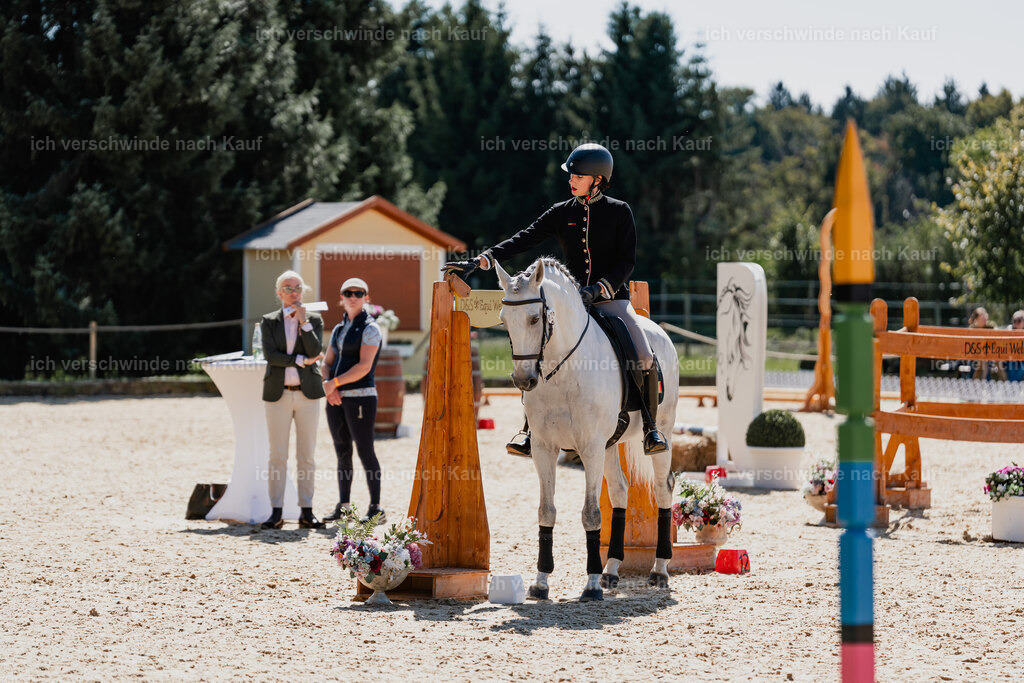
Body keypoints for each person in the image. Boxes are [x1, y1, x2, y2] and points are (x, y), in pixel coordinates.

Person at [443, 143, 668, 456]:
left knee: (643, 354)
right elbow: (523, 238)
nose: (571, 180)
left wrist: (600, 288)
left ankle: (650, 427)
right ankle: (527, 429)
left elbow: (626, 262)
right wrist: (478, 261)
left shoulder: (619, 211)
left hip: (610, 299)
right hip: (570, 305)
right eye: (571, 175)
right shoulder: (562, 213)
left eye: (578, 175)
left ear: (598, 179)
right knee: (536, 349)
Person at [259, 270, 326, 530]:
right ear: (279, 293)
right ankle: (275, 512)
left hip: (308, 394)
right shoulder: (269, 321)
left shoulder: (314, 319)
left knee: (306, 455)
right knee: (277, 455)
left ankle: (306, 512)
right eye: (288, 287)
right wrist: (299, 360)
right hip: (278, 394)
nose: (294, 292)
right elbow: (270, 355)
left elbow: (314, 351)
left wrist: (303, 321)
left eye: (297, 287)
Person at [320, 278, 386, 525]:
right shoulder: (338, 329)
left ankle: (376, 508)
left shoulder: (370, 328)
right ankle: (344, 506)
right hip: (336, 398)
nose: (353, 296)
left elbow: (363, 367)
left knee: (365, 450)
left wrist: (334, 384)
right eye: (348, 292)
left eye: (359, 292)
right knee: (342, 451)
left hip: (361, 398)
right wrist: (329, 386)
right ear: (342, 297)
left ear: (366, 297)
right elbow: (326, 363)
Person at [1006, 310, 1024, 382]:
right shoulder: (1010, 329)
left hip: (1022, 360)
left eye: (1019, 320)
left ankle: (1013, 386)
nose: (1016, 323)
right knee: (1012, 364)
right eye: (1014, 320)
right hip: (1012, 358)